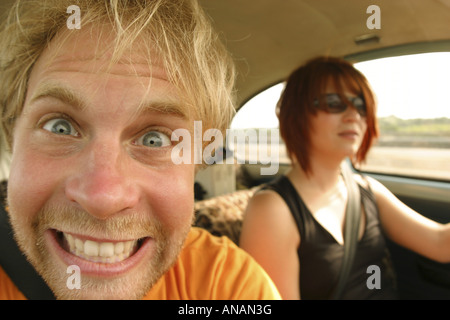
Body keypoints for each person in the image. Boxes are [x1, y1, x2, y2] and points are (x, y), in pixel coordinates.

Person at [0, 0, 281, 300]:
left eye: (154, 139)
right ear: (12, 136)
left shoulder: (226, 286)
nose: (103, 198)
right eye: (60, 127)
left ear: (197, 162)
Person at [239, 56, 450, 300]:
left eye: (361, 106)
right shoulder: (273, 208)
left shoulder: (367, 189)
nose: (354, 116)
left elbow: (440, 243)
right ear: (296, 114)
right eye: (333, 102)